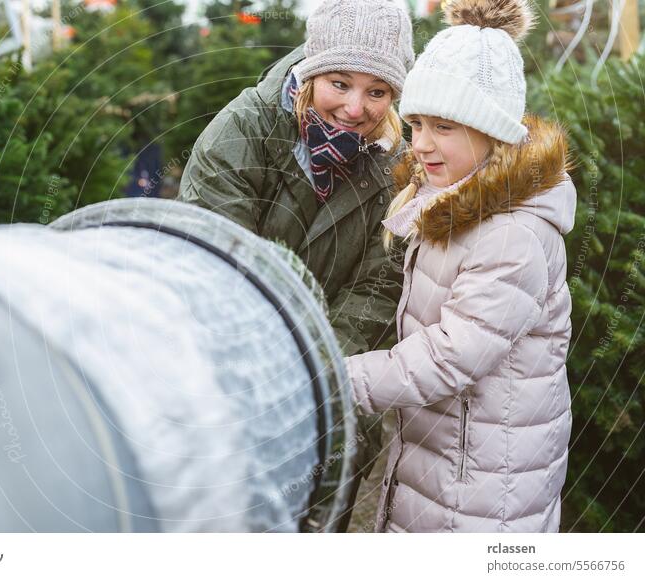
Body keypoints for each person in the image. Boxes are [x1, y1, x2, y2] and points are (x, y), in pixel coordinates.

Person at [346, 0, 576, 532]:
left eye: (444, 127)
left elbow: (450, 356)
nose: (421, 144)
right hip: (446, 465)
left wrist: (337, 381)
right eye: (417, 124)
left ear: (491, 131)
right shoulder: (449, 203)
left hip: (484, 493)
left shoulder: (513, 232)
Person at [178, 0, 414, 360]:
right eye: (339, 83)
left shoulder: (395, 168)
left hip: (325, 381)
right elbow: (214, 259)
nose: (354, 108)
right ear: (311, 73)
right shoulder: (243, 131)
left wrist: (314, 372)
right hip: (221, 361)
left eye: (377, 92)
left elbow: (375, 290)